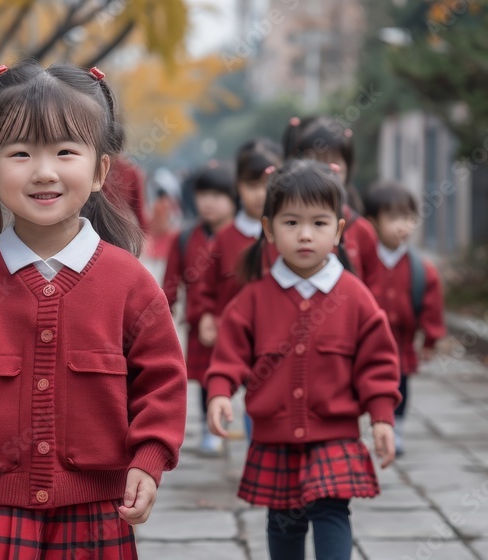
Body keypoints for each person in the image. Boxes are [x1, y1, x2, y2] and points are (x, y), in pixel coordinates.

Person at [0, 61, 187, 560]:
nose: (44, 171)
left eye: (65, 152)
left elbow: (162, 380)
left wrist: (149, 456)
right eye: (21, 152)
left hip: (95, 513)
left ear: (99, 171)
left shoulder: (129, 282)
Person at [206, 159, 401, 560]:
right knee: (284, 519)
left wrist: (382, 416)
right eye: (291, 223)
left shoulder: (355, 296)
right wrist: (221, 392)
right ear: (269, 230)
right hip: (274, 436)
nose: (305, 235)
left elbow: (377, 362)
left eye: (319, 223)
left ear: (338, 231)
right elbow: (230, 353)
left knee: (331, 511)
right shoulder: (255, 298)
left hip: (335, 434)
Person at [197, 139, 284, 443]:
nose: (260, 193)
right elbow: (205, 284)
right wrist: (205, 314)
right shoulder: (224, 238)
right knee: (225, 376)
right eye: (252, 185)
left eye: (268, 184)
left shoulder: (284, 235)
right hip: (230, 330)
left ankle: (257, 441)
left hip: (273, 331)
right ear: (239, 187)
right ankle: (216, 422)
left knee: (264, 388)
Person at [363, 180, 446, 457]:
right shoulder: (364, 261)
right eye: (393, 218)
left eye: (408, 218)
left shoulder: (421, 269)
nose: (402, 226)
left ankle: (395, 428)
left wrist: (430, 340)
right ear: (372, 222)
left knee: (399, 385)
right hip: (364, 341)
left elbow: (431, 306)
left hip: (400, 342)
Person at [162, 163, 236, 456]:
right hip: (202, 326)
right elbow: (170, 283)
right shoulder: (184, 238)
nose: (209, 202)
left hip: (240, 322)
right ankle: (211, 427)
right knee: (209, 375)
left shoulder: (244, 238)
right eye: (203, 194)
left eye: (218, 195)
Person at [282, 116, 379, 282]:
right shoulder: (282, 227)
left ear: (348, 168)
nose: (324, 178)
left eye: (333, 167)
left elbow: (374, 287)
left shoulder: (362, 231)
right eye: (315, 166)